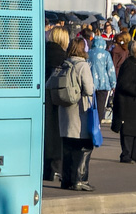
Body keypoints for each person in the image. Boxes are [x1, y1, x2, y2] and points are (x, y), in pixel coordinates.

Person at [50, 37, 97, 191]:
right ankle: (80, 179)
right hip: (79, 112)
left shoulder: (64, 64)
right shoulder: (82, 65)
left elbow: (50, 84)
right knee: (83, 147)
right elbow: (89, 90)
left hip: (64, 111)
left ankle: (67, 180)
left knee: (68, 148)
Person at [44, 25, 70, 185]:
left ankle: (47, 169)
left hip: (43, 99)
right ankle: (56, 168)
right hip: (57, 100)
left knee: (46, 134)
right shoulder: (62, 58)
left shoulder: (43, 53)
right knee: (58, 135)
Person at [112, 43, 136, 163]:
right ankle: (126, 154)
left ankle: (131, 154)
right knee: (128, 131)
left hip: (131, 104)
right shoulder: (129, 64)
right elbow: (124, 84)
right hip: (127, 104)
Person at [90, 33, 117, 122]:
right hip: (103, 83)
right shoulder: (106, 54)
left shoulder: (88, 53)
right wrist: (113, 84)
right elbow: (110, 70)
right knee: (100, 107)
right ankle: (97, 124)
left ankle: (90, 123)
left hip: (90, 83)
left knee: (90, 106)